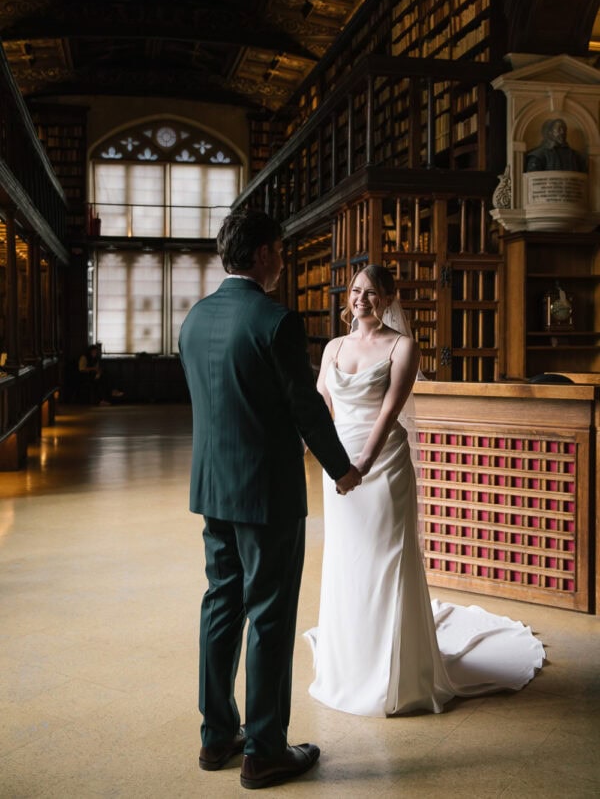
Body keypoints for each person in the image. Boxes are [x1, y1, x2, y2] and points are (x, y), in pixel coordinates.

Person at [305, 264, 545, 717]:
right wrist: (334, 461)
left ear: (389, 297)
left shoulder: (403, 347)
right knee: (346, 558)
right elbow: (324, 404)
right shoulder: (334, 346)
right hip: (339, 466)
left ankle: (395, 673)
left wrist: (362, 465)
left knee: (387, 561)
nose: (362, 299)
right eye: (356, 291)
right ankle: (350, 664)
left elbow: (390, 410)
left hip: (381, 466)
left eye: (372, 292)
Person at [178, 209, 361, 790]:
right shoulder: (276, 321)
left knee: (221, 605)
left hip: (213, 486)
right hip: (268, 495)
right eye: (279, 251)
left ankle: (216, 737)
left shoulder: (195, 318)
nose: (281, 260)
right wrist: (342, 469)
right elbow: (304, 408)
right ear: (260, 254)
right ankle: (263, 750)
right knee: (271, 616)